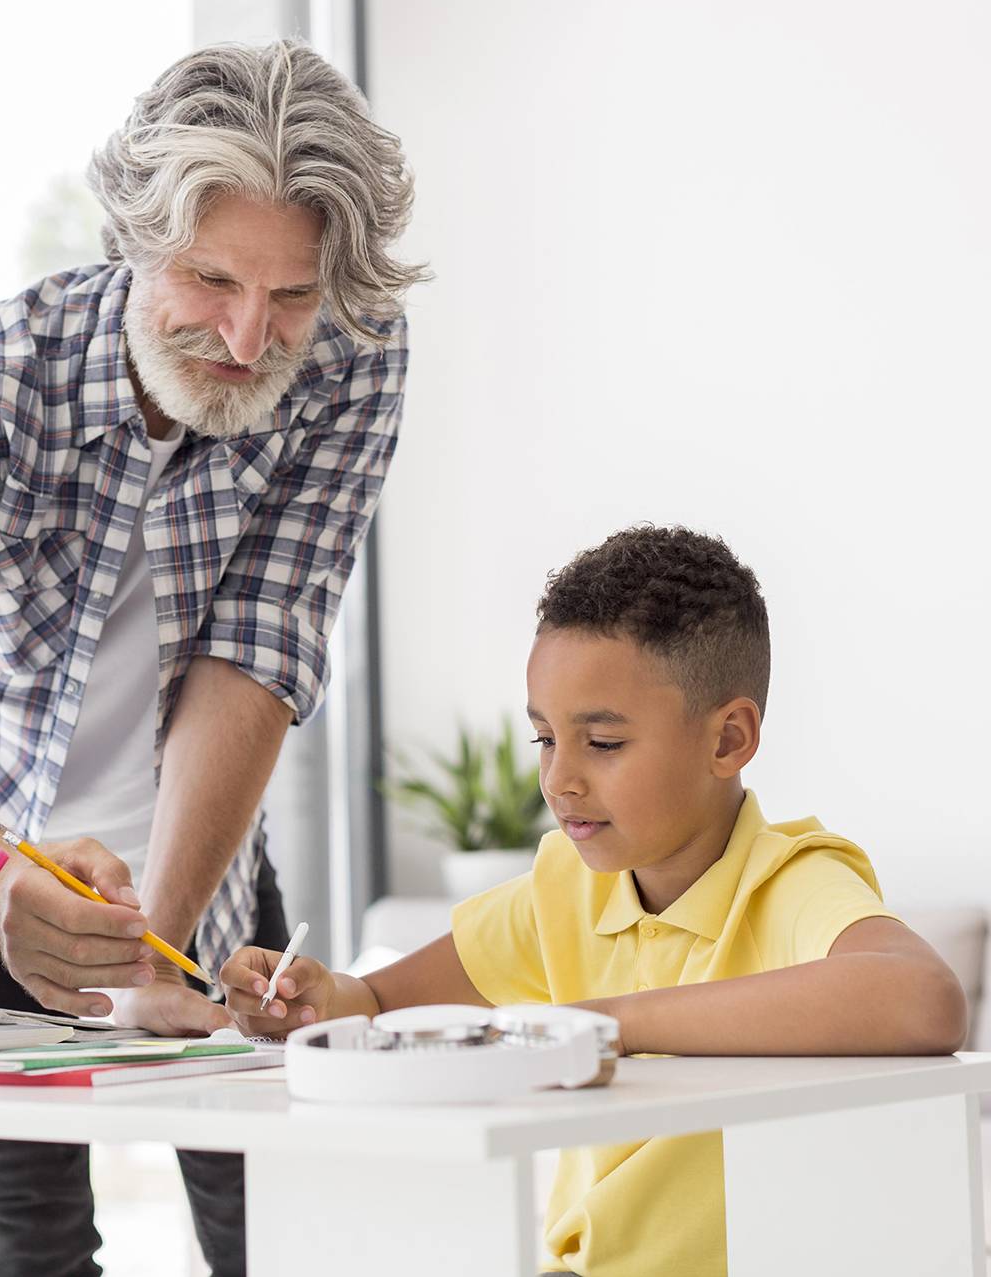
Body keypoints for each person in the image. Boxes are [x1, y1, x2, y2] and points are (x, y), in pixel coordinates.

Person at [0, 40, 426, 1277]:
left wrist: (166, 934)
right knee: (30, 1252)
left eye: (290, 295)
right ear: (131, 237)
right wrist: (4, 882)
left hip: (214, 873)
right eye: (210, 279)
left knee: (289, 1240)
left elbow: (258, 651)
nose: (251, 338)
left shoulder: (351, 356)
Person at [221, 524, 967, 1277]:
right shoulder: (564, 889)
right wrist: (315, 996)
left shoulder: (793, 880)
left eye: (602, 743)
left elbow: (924, 998)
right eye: (545, 738)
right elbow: (377, 999)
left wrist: (606, 1024)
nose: (559, 780)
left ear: (729, 739)